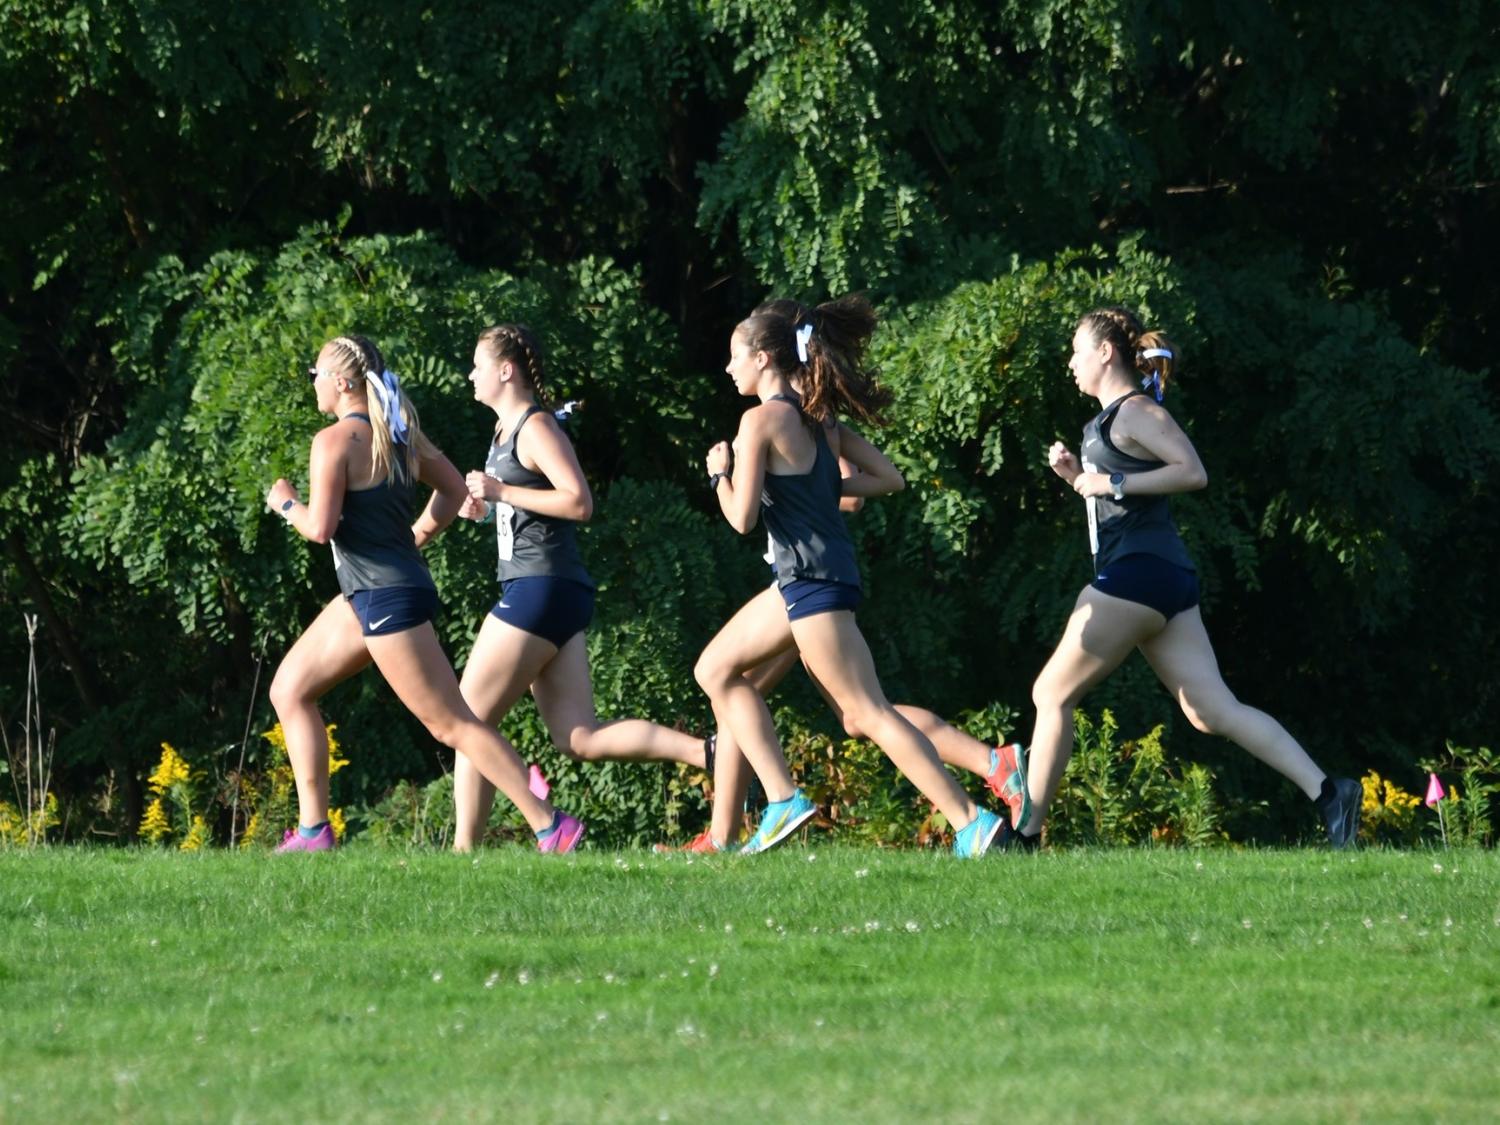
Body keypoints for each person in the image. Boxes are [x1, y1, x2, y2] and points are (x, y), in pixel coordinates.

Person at [1015, 306, 1362, 848]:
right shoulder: (1105, 423)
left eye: (1077, 351)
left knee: (1051, 693)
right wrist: (1077, 478)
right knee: (1210, 711)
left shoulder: (1136, 411)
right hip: (1162, 579)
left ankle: (1024, 837)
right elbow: (1119, 498)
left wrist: (1108, 483)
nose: (1070, 362)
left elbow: (1192, 472)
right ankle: (1330, 793)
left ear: (1105, 352)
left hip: (1139, 574)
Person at [694, 296, 1008, 857]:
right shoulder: (821, 420)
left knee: (868, 712)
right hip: (815, 577)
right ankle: (779, 800)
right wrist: (818, 488)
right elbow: (888, 478)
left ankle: (970, 822)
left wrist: (721, 473)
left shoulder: (758, 422)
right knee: (716, 670)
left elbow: (741, 518)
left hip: (808, 582)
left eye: (735, 356)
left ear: (763, 358)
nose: (727, 367)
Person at [265, 334, 585, 853]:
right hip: (370, 592)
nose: (313, 382)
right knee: (290, 689)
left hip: (384, 598)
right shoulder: (399, 434)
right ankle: (313, 830)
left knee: (452, 723)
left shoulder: (334, 442)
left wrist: (285, 503)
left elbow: (320, 528)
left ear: (341, 382)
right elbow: (454, 490)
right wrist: (414, 537)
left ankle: (551, 824)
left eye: (315, 373)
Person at [448, 324, 710, 851]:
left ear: (506, 370)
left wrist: (501, 491)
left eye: (478, 365)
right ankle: (710, 753)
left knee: (466, 719)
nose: (470, 375)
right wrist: (486, 509)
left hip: (538, 588)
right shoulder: (503, 430)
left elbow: (578, 502)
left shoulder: (535, 427)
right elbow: (525, 504)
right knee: (579, 737)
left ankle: (484, 846)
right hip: (552, 590)